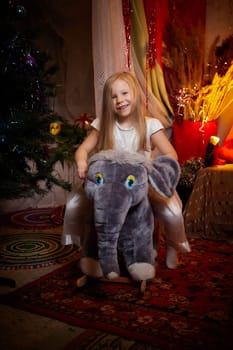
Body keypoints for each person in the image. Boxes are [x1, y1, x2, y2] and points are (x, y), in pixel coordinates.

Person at [62, 71, 191, 269]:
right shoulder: (103, 124)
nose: (119, 100)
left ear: (135, 94)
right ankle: (90, 250)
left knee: (172, 212)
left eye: (124, 93)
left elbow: (170, 154)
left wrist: (151, 170)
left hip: (139, 183)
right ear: (108, 101)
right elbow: (83, 150)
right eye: (113, 96)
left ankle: (173, 247)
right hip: (109, 185)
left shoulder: (150, 124)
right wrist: (81, 163)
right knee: (74, 204)